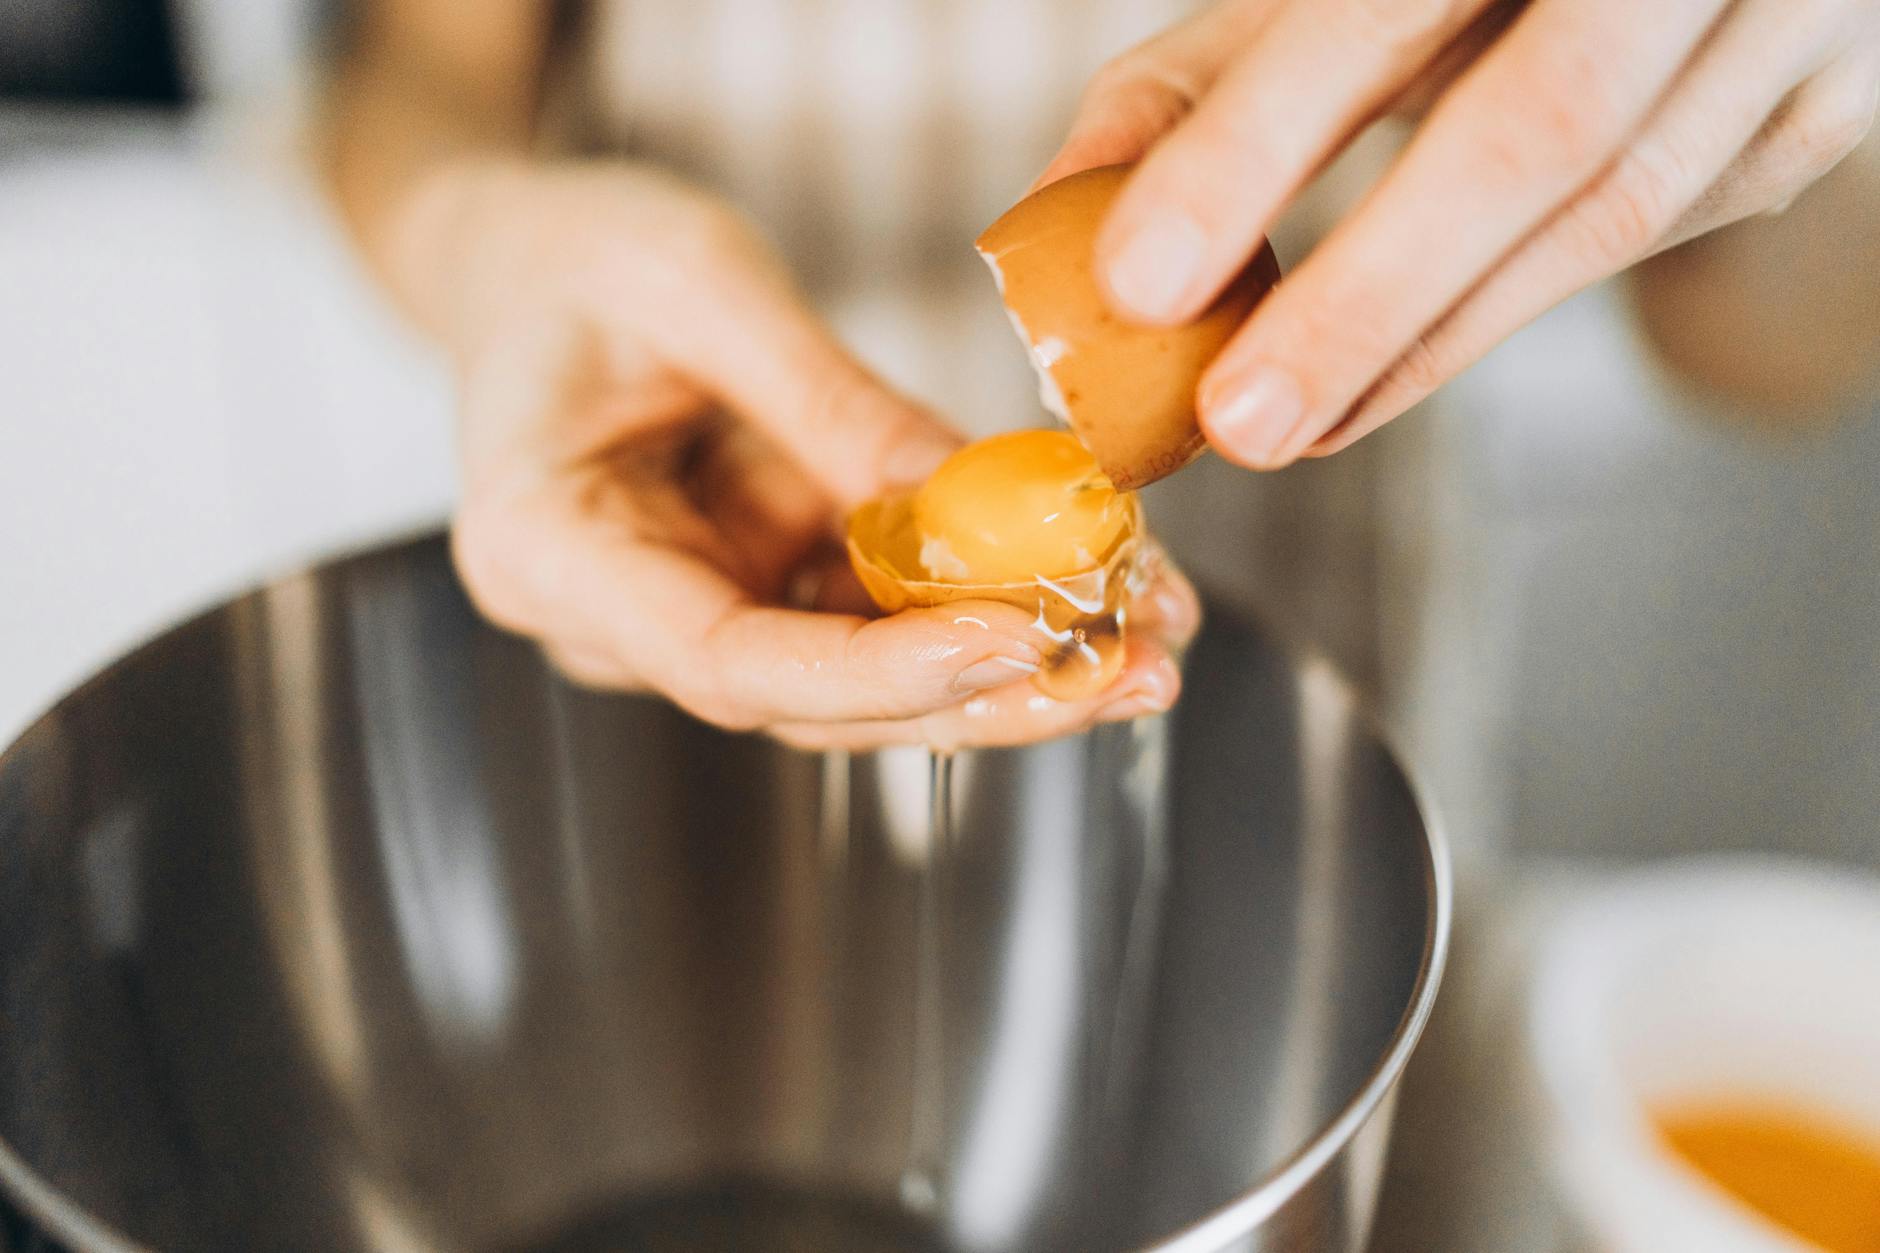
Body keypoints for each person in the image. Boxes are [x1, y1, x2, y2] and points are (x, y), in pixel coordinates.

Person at [322, 0, 1880, 750]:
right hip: (688, 642)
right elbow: (414, 85)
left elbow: (1757, 351)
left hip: (1311, 741)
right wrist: (483, 237)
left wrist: (1823, 84)